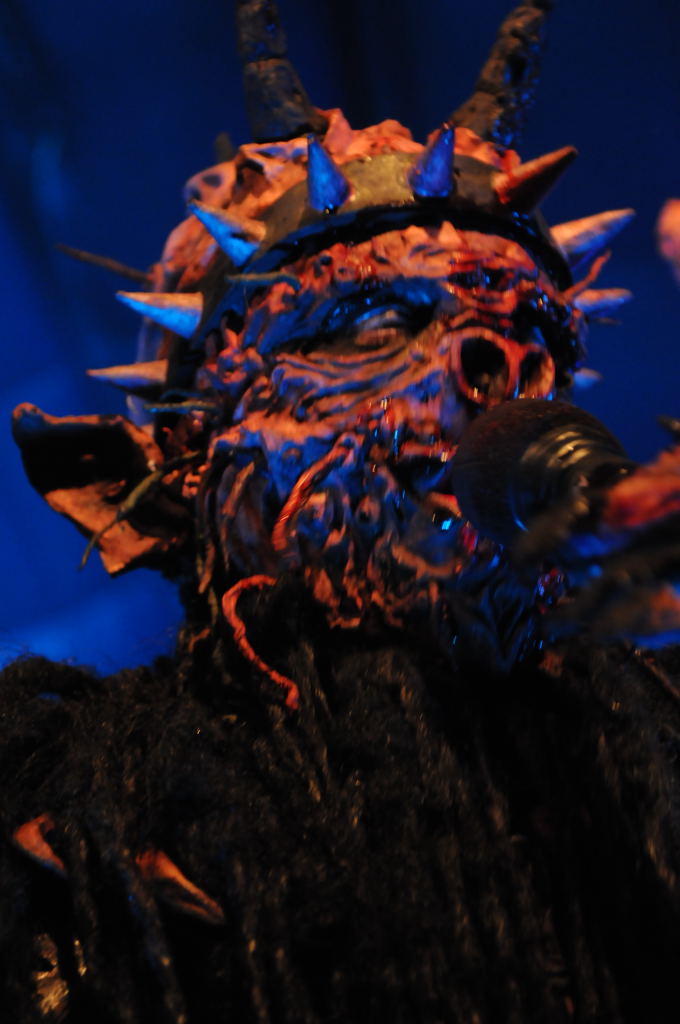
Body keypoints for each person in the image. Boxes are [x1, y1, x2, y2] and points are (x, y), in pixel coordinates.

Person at [3, 1, 680, 1020]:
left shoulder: (646, 758)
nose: (492, 370)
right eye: (370, 323)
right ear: (169, 477)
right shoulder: (86, 836)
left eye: (533, 338)